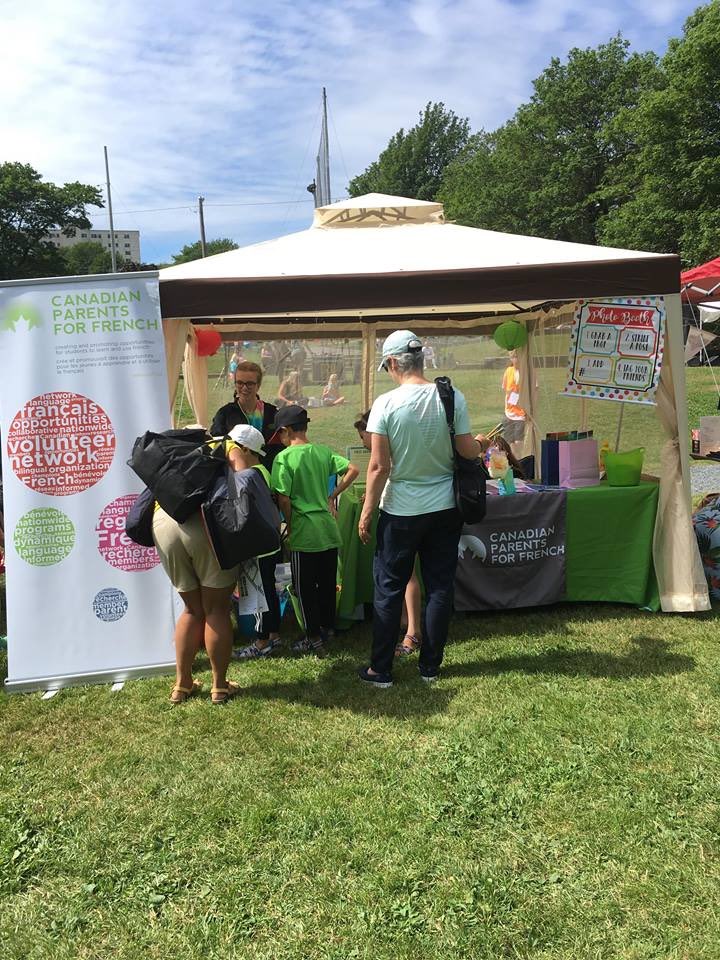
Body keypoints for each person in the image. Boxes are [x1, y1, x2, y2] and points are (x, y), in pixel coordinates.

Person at [358, 330, 482, 687]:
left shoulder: (386, 403)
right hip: (445, 506)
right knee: (440, 585)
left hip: (401, 509)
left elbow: (379, 466)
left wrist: (367, 511)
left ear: (394, 362)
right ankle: (430, 667)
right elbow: (466, 450)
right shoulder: (451, 395)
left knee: (389, 587)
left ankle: (380, 670)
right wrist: (481, 444)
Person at [152, 426, 244, 705]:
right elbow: (243, 480)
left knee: (192, 609)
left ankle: (182, 684)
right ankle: (219, 686)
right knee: (216, 609)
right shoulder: (224, 444)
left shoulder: (166, 451)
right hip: (205, 523)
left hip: (163, 523)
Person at [271, 405, 359, 658]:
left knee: (304, 587)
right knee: (328, 582)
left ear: (286, 431)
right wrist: (333, 495)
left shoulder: (284, 458)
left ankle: (312, 638)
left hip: (305, 531)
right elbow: (353, 469)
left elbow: (284, 498)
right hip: (328, 530)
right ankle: (327, 629)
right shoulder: (322, 451)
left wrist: (289, 523)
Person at [354, 410, 422, 656]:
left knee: (408, 574)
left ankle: (413, 632)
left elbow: (385, 472)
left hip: (405, 515)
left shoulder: (389, 450)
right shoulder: (397, 446)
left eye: (363, 436)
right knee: (404, 574)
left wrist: (368, 510)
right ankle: (406, 623)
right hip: (404, 510)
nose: (362, 442)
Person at [226, 424, 284, 660]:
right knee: (269, 588)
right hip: (270, 540)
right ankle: (274, 636)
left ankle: (261, 641)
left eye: (235, 448)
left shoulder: (250, 474)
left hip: (259, 544)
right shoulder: (263, 469)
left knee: (260, 592)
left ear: (246, 450)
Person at [210, 361, 282, 467]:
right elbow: (217, 443)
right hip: (237, 475)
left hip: (269, 472)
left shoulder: (273, 413)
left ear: (258, 385)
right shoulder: (225, 413)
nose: (244, 388)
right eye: (239, 383)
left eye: (249, 383)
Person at [501, 349, 526, 457]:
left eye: (517, 356)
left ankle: (521, 459)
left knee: (518, 440)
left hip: (521, 413)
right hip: (508, 411)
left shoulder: (526, 372)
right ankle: (515, 460)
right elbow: (505, 390)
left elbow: (534, 390)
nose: (515, 359)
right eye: (513, 357)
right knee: (509, 440)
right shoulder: (508, 371)